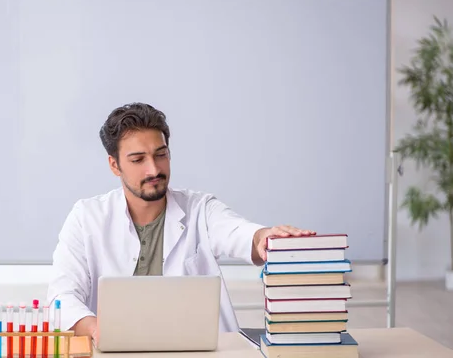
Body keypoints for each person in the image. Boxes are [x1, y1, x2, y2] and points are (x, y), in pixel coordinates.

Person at [46, 102, 315, 344]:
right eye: (138, 160)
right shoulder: (87, 217)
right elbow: (62, 297)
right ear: (114, 166)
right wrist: (98, 329)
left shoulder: (200, 209)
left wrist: (265, 237)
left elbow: (240, 233)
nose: (154, 169)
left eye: (160, 154)